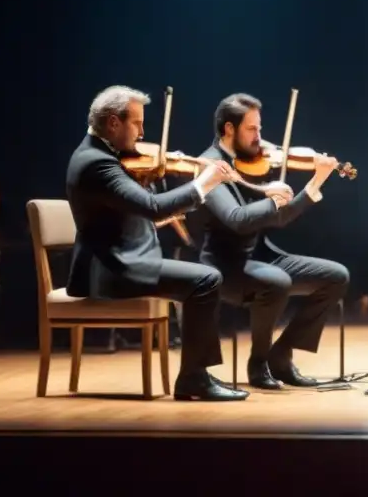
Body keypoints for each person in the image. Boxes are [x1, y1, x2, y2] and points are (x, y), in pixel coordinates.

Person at [65, 85, 247, 401]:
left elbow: (141, 205)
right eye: (136, 123)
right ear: (113, 123)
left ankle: (195, 374)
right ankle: (194, 378)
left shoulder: (107, 156)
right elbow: (153, 208)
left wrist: (157, 174)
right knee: (206, 278)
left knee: (202, 277)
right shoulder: (97, 164)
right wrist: (204, 183)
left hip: (126, 259)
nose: (143, 132)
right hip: (114, 268)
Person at [194, 93, 350, 390]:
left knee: (336, 277)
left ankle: (281, 354)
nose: (260, 138)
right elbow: (237, 219)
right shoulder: (209, 166)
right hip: (227, 267)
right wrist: (271, 196)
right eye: (252, 130)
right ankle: (259, 363)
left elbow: (278, 218)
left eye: (260, 129)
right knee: (276, 281)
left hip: (262, 257)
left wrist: (315, 182)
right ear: (229, 129)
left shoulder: (250, 161)